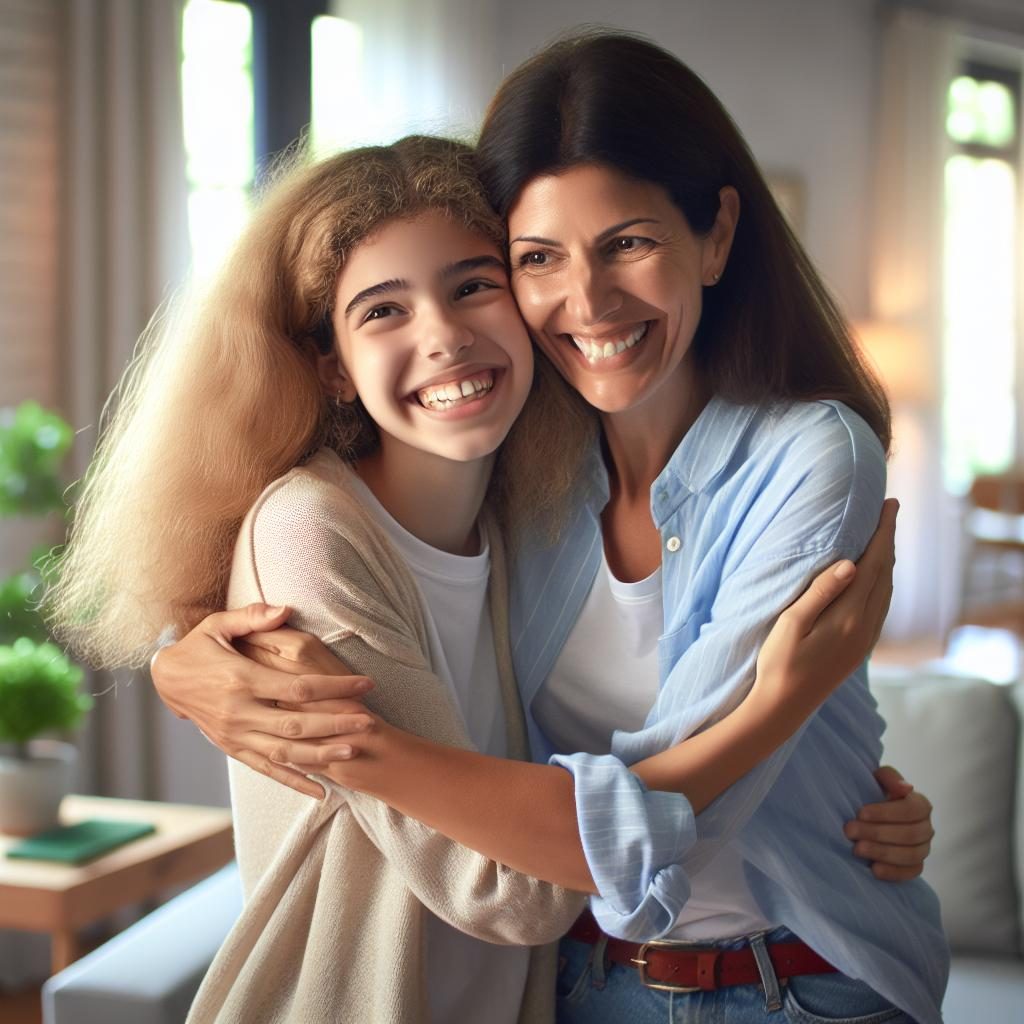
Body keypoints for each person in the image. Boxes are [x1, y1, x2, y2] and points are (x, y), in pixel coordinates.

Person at [150, 32, 945, 1024]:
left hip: (787, 985)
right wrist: (178, 657)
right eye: (537, 259)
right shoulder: (518, 479)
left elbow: (667, 830)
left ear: (715, 234)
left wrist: (796, 735)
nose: (586, 298)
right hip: (575, 984)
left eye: (628, 242)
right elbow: (294, 561)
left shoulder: (792, 458)